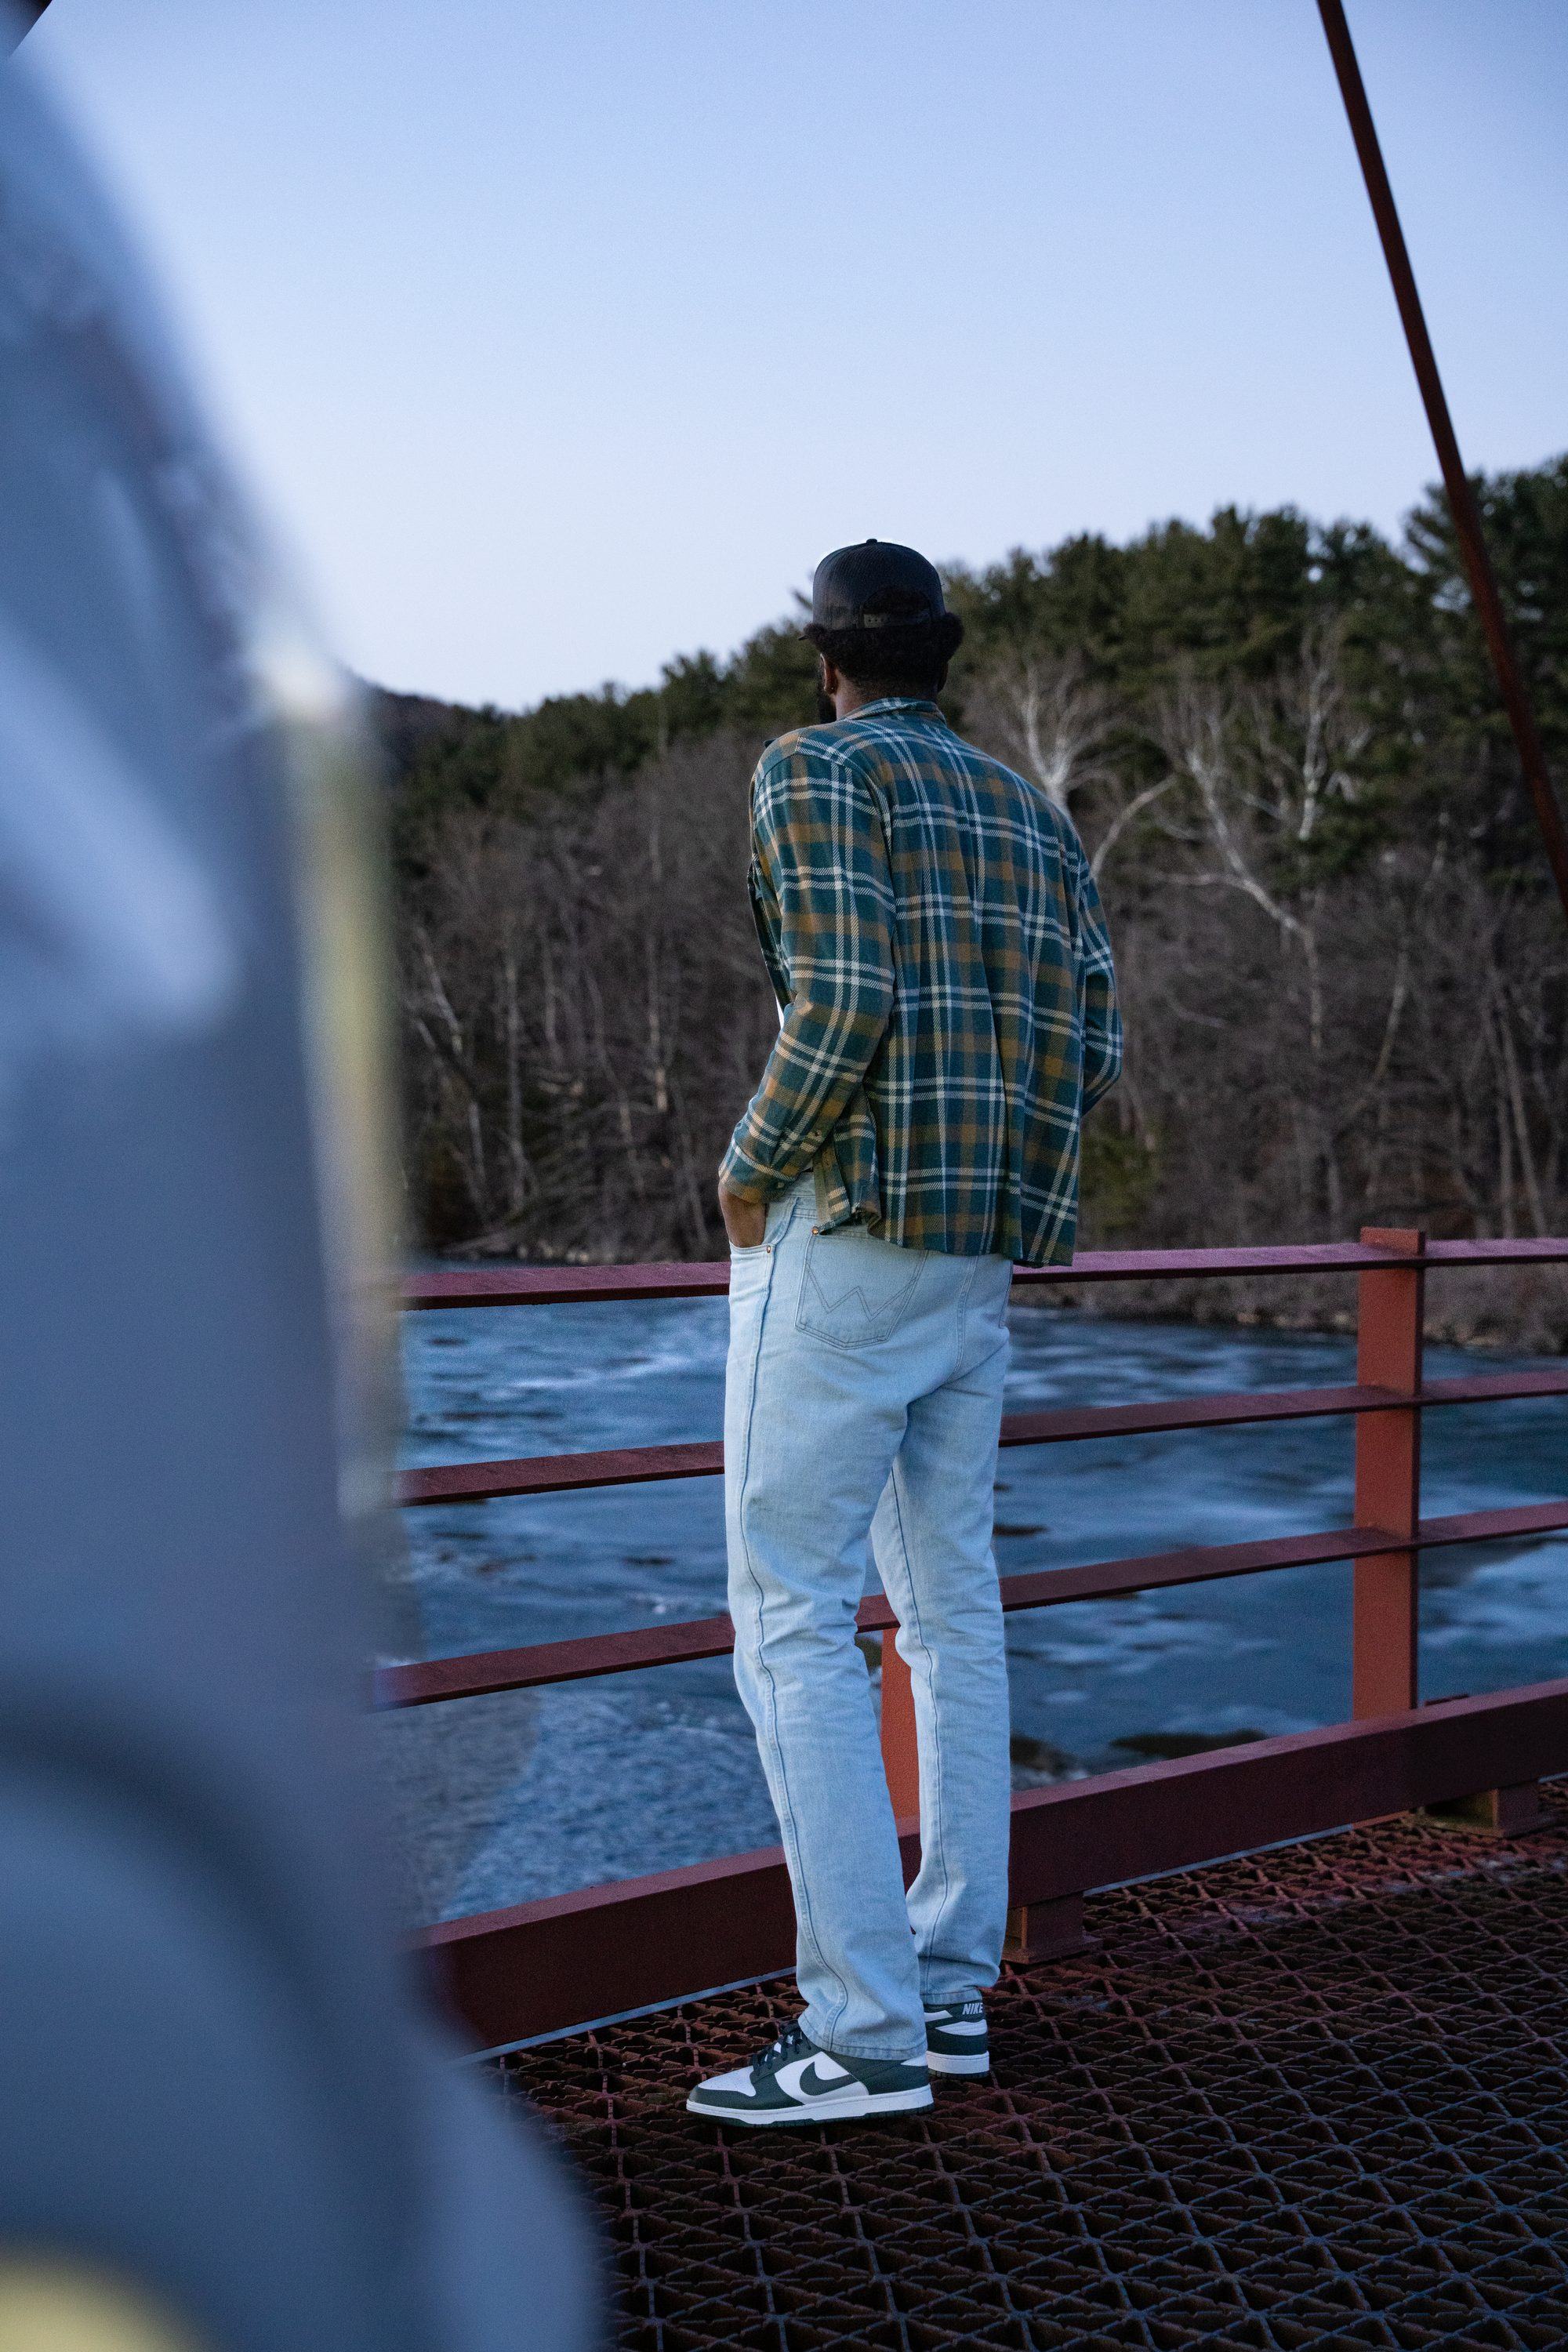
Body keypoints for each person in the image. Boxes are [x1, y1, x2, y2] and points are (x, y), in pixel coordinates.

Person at [687, 539, 1121, 2126]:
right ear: (944, 657)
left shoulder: (813, 766)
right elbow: (1098, 1025)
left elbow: (845, 990)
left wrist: (748, 1171)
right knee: (949, 1615)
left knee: (790, 1616)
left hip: (852, 1233)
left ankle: (857, 2037)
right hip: (975, 1257)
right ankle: (942, 1999)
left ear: (830, 660)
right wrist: (1005, 1168)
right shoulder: (1026, 807)